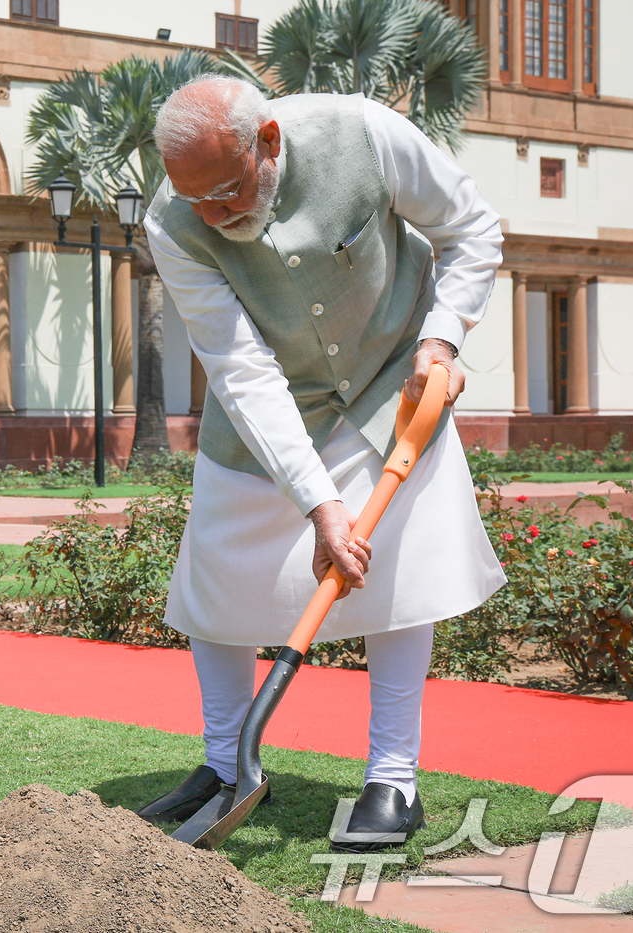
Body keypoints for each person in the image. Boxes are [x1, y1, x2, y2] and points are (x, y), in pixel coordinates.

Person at [135, 76, 506, 850]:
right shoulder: (173, 223)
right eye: (195, 199)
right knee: (217, 573)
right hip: (269, 409)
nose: (213, 216)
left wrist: (442, 337)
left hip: (390, 387)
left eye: (227, 193)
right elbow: (238, 368)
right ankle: (228, 763)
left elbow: (472, 226)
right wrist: (317, 501)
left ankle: (393, 781)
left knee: (401, 576)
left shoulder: (365, 134)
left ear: (267, 141)